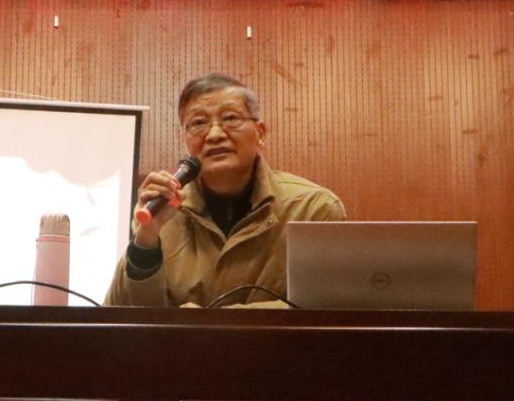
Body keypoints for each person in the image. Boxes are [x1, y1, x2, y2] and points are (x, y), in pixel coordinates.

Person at [104, 73, 346, 308]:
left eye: (230, 118)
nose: (215, 135)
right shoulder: (162, 209)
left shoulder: (312, 209)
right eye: (198, 123)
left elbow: (327, 307)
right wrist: (146, 241)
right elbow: (120, 317)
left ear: (260, 133)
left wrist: (213, 324)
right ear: (184, 139)